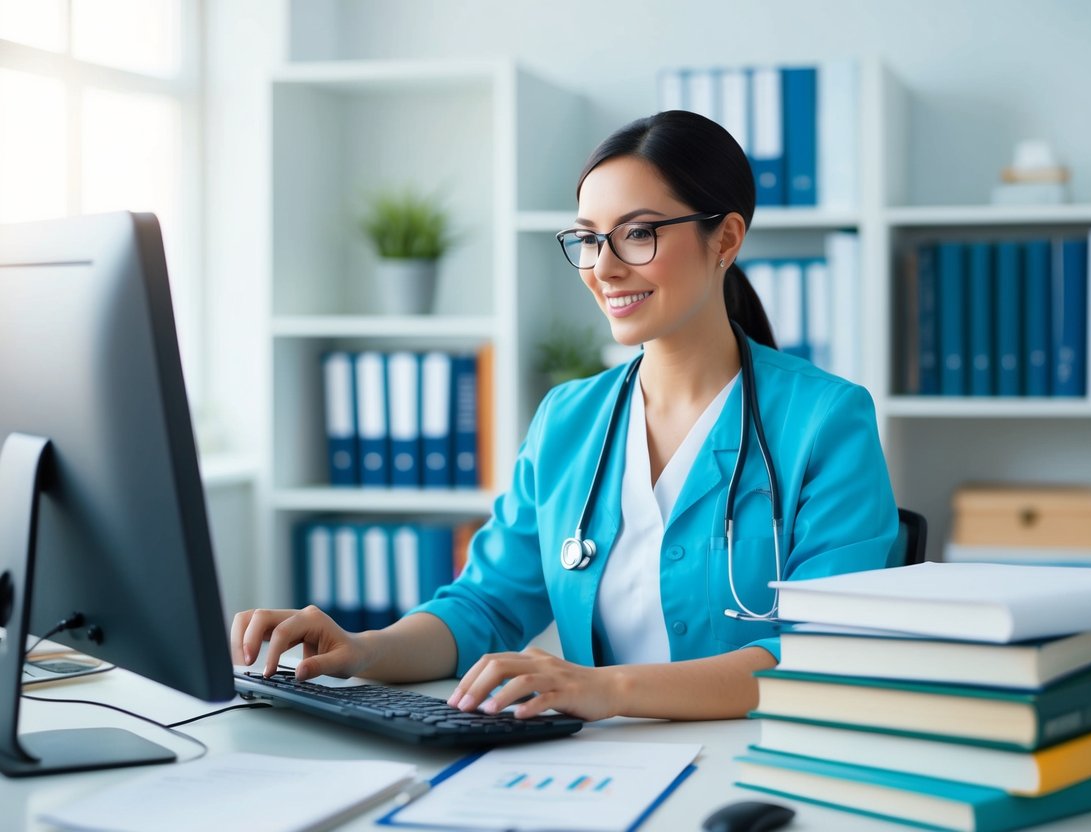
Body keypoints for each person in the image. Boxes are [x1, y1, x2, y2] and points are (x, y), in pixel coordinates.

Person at [232, 110, 898, 722]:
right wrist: (361, 650)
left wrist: (603, 689)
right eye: (586, 239)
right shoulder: (567, 420)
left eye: (637, 234)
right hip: (607, 768)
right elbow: (484, 607)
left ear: (724, 238)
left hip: (763, 762)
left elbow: (823, 653)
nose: (603, 267)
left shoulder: (827, 421)